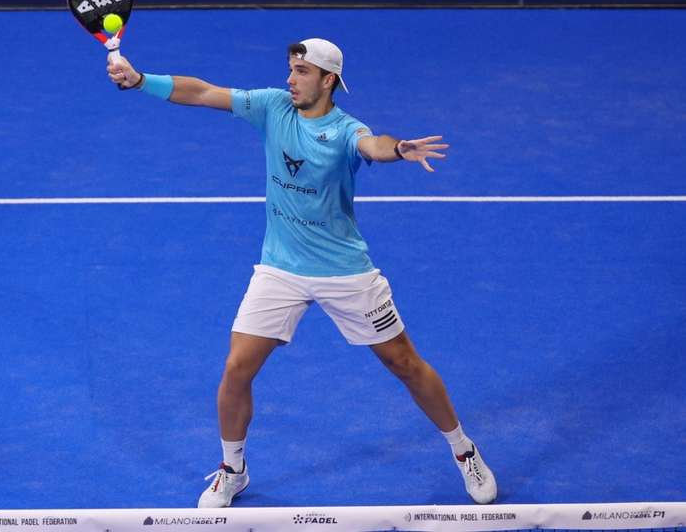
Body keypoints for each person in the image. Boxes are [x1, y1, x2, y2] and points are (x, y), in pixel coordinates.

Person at [106, 38, 497, 507]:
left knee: (405, 364)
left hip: (344, 271)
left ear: (328, 80)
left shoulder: (347, 130)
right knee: (236, 369)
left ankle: (464, 450)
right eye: (290, 69)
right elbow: (204, 92)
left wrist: (400, 148)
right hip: (280, 269)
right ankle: (233, 469)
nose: (290, 79)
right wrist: (142, 80)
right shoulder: (272, 107)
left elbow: (373, 145)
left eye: (301, 71)